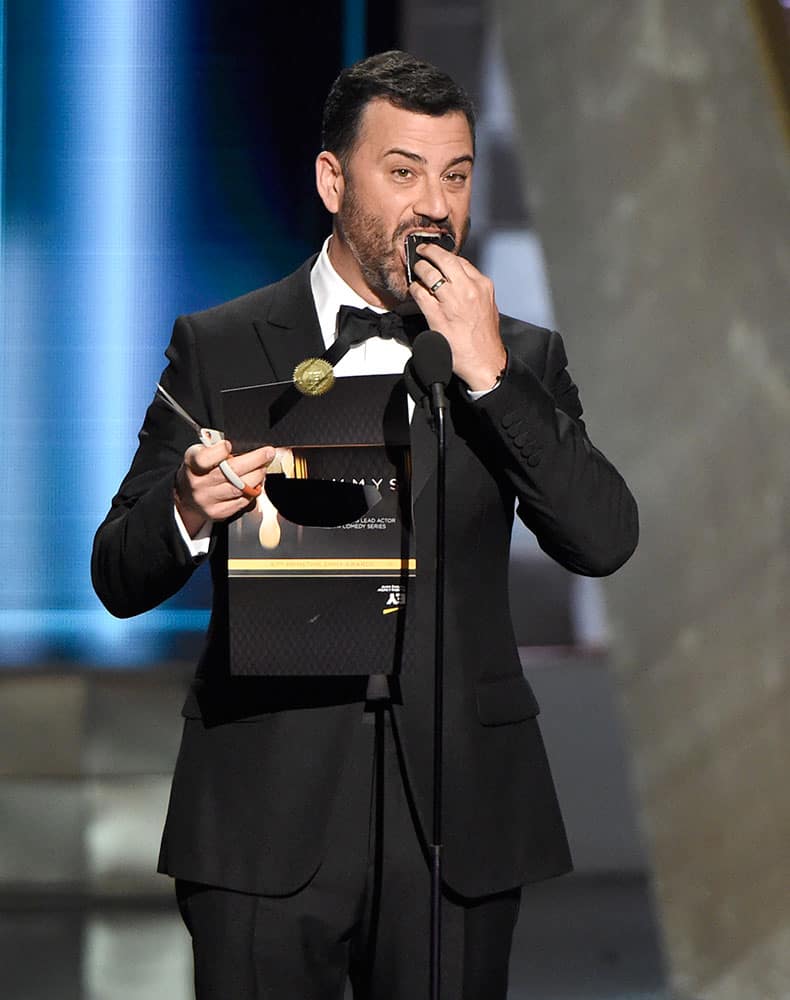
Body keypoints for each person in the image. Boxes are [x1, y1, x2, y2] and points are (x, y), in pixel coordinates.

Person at [92, 50, 638, 1000]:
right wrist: (186, 508)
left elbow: (602, 538)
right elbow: (117, 572)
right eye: (404, 171)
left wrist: (490, 373)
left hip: (457, 815)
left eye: (456, 175)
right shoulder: (219, 343)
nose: (435, 204)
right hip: (264, 809)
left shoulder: (521, 358)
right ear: (332, 179)